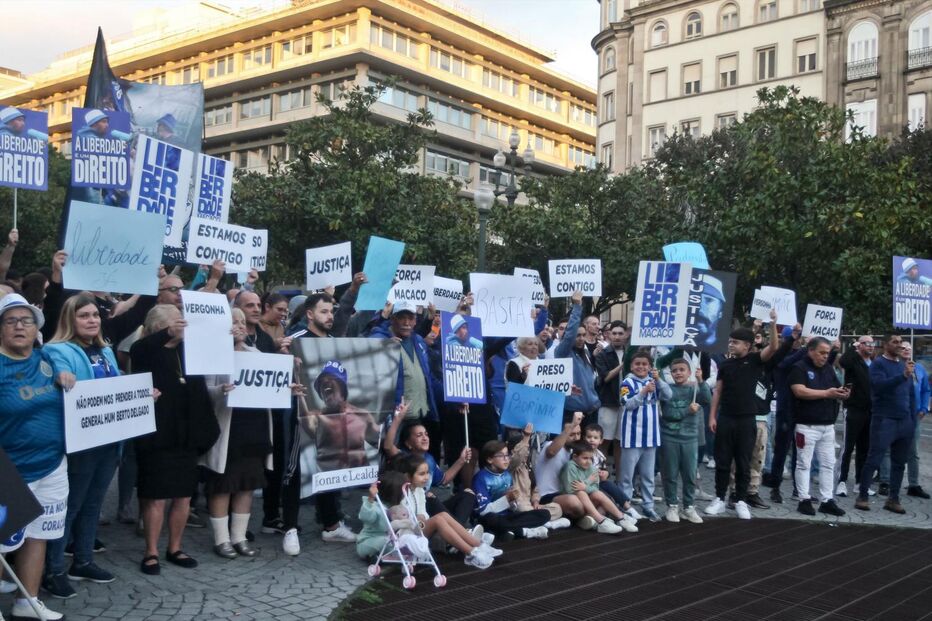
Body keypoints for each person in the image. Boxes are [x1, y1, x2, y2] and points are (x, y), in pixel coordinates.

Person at [41, 294, 124, 599]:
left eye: (95, 315)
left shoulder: (106, 350)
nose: (92, 320)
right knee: (71, 505)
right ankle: (53, 569)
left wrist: (140, 395)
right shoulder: (56, 350)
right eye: (84, 316)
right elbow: (61, 376)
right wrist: (63, 377)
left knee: (93, 503)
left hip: (108, 438)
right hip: (81, 439)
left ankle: (83, 560)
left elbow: (114, 383)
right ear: (70, 319)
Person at [274, 281, 365, 556]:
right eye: (324, 311)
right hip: (300, 416)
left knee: (329, 467)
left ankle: (331, 524)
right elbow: (277, 369)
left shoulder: (334, 342)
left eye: (331, 312)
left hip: (330, 418)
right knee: (295, 470)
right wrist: (284, 357)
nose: (330, 316)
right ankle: (290, 527)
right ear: (310, 314)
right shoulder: (296, 337)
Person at [130, 304, 217, 575]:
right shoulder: (145, 351)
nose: (183, 326)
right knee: (156, 497)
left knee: (183, 495)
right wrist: (169, 333)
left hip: (186, 433)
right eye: (176, 323)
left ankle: (175, 547)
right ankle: (151, 551)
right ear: (160, 327)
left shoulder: (188, 352)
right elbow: (140, 349)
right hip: (157, 433)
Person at [0, 294, 70, 621]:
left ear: (35, 329)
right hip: (9, 470)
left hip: (52, 464)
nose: (19, 326)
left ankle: (27, 600)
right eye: (10, 320)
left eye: (26, 320)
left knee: (39, 533)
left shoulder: (47, 360)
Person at [202, 308, 284, 559]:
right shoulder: (214, 356)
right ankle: (221, 539)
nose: (238, 326)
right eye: (232, 322)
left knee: (247, 484)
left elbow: (271, 384)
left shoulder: (257, 354)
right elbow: (205, 390)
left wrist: (286, 385)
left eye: (241, 321)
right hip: (229, 430)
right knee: (223, 485)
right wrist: (221, 391)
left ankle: (239, 536)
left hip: (255, 428)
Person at [707, 309, 779, 520]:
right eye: (730, 341)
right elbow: (718, 390)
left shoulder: (756, 360)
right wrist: (712, 416)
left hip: (748, 419)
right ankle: (719, 498)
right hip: (726, 418)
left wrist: (773, 324)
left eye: (735, 342)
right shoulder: (725, 364)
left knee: (743, 462)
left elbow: (774, 347)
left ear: (747, 346)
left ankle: (740, 500)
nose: (731, 345)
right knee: (722, 461)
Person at [393, 454, 496, 569]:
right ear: (408, 477)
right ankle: (471, 552)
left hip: (419, 528)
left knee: (443, 515)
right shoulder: (400, 494)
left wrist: (421, 517)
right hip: (406, 534)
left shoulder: (419, 490)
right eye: (421, 474)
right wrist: (418, 520)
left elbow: (422, 512)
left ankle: (479, 545)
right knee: (438, 519)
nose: (426, 477)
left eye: (427, 473)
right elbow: (400, 519)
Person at [384, 404, 475, 527]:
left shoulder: (429, 459)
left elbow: (444, 479)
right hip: (414, 511)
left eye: (426, 434)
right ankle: (461, 533)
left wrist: (461, 460)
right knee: (430, 498)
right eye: (419, 435)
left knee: (468, 493)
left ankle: (457, 533)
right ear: (408, 443)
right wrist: (398, 418)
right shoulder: (403, 458)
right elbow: (388, 446)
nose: (425, 438)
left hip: (428, 507)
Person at [855, 335, 916, 514]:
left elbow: (910, 394)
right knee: (874, 458)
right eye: (895, 342)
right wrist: (902, 376)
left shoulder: (903, 365)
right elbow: (879, 386)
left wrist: (911, 419)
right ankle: (863, 495)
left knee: (899, 463)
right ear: (885, 345)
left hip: (904, 421)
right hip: (884, 419)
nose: (899, 345)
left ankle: (893, 498)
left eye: (900, 342)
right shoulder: (878, 364)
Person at [788, 337, 849, 517]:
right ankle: (803, 499)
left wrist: (843, 392)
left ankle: (826, 499)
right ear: (811, 350)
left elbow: (836, 388)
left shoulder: (828, 369)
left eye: (827, 353)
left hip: (827, 425)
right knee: (804, 463)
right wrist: (826, 393)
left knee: (828, 465)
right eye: (821, 352)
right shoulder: (799, 368)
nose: (825, 356)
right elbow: (799, 391)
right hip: (806, 425)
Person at [618, 351, 672, 522]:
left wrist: (659, 380)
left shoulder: (654, 381)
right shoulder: (626, 382)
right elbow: (628, 404)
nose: (641, 367)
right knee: (627, 475)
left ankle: (648, 506)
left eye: (644, 364)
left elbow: (668, 396)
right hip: (632, 435)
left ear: (650, 366)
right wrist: (643, 392)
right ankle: (624, 505)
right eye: (637, 364)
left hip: (651, 436)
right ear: (632, 366)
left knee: (648, 475)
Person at [660, 359, 711, 524]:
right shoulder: (667, 390)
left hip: (690, 439)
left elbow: (707, 399)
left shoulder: (694, 389)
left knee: (690, 474)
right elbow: (668, 414)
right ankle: (672, 505)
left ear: (689, 372)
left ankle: (689, 507)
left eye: (682, 370)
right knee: (670, 474)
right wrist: (687, 411)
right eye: (674, 370)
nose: (678, 373)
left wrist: (701, 380)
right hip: (670, 438)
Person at [472, 440, 552, 539]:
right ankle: (525, 531)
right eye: (501, 456)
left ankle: (509, 530)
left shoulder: (507, 475)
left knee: (545, 514)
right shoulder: (481, 478)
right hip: (491, 518)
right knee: (492, 519)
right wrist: (506, 499)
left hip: (507, 517)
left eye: (507, 455)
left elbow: (512, 508)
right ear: (489, 459)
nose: (506, 459)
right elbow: (483, 511)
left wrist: (513, 501)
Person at [836, 335, 875, 497]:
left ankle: (860, 482)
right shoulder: (853, 360)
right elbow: (843, 362)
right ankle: (841, 481)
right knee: (848, 447)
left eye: (873, 344)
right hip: (853, 409)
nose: (871, 346)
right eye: (867, 344)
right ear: (860, 345)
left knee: (864, 448)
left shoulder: (873, 364)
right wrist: (853, 347)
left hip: (869, 411)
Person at [554, 291, 601, 425]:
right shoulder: (562, 352)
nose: (581, 338)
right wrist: (577, 306)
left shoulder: (584, 353)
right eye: (577, 335)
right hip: (573, 413)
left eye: (583, 335)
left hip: (591, 411)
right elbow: (569, 336)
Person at [559, 443, 627, 534]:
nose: (588, 461)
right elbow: (570, 489)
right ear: (575, 457)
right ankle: (601, 521)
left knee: (598, 494)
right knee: (581, 492)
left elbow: (595, 488)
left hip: (586, 505)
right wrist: (588, 482)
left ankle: (621, 518)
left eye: (591, 458)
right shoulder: (570, 466)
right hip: (571, 505)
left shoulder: (591, 468)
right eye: (585, 458)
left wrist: (585, 486)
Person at [594, 321, 629, 481]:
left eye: (620, 333)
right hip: (608, 403)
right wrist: (623, 366)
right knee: (604, 441)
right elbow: (605, 377)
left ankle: (620, 480)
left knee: (620, 443)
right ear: (609, 335)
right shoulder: (603, 354)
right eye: (614, 333)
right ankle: (601, 477)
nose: (617, 336)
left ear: (626, 335)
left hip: (627, 404)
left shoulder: (631, 353)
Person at [901, 343, 930, 499]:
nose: (906, 350)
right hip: (897, 414)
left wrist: (924, 408)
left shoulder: (919, 369)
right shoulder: (896, 366)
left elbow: (926, 389)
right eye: (903, 347)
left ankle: (913, 484)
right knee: (888, 450)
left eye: (909, 348)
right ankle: (884, 480)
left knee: (913, 452)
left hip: (914, 416)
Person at [694, 274, 726, 349]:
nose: (700, 307)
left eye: (708, 300)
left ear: (720, 312)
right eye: (695, 299)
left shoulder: (722, 353)